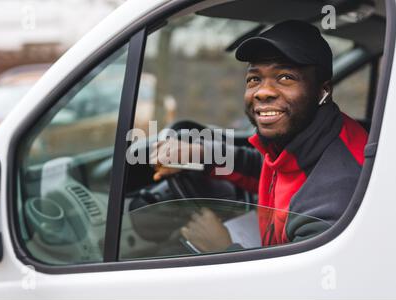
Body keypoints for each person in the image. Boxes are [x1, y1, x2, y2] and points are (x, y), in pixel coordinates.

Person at [151, 20, 368, 252]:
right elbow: (268, 168)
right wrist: (201, 155)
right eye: (255, 79)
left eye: (285, 77)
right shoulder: (314, 136)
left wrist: (224, 249)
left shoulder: (333, 194)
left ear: (323, 91)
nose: (263, 92)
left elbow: (298, 286)